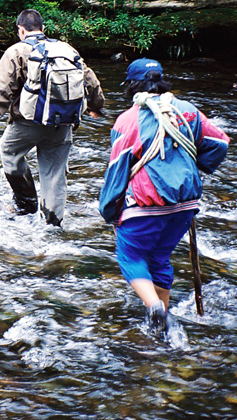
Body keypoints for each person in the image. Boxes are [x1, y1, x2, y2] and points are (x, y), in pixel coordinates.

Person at [97, 58, 229, 336]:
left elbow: (117, 170)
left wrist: (110, 211)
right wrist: (193, 164)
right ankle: (163, 326)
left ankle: (155, 308)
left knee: (130, 257)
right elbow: (220, 143)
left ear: (131, 86)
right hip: (185, 203)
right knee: (159, 258)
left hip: (147, 203)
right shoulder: (187, 111)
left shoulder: (128, 120)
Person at [0, 9, 105, 226]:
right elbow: (89, 79)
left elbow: (0, 90)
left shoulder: (16, 51)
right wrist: (95, 106)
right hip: (63, 122)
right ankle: (53, 224)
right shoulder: (66, 49)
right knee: (54, 173)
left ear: (21, 30)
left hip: (27, 122)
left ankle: (26, 203)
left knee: (10, 152)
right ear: (43, 29)